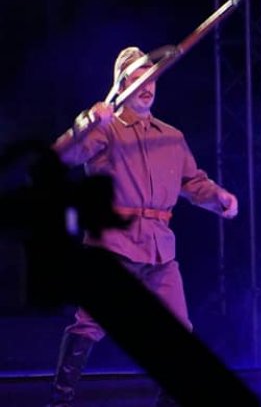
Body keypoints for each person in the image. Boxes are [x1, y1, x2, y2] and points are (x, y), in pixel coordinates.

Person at [47, 46, 240, 407]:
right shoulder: (106, 129)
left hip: (160, 251)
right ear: (121, 87)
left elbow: (192, 182)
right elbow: (60, 157)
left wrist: (218, 197)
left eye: (151, 79)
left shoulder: (171, 136)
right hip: (113, 246)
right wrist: (87, 121)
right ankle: (60, 401)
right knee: (90, 323)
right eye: (138, 80)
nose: (147, 87)